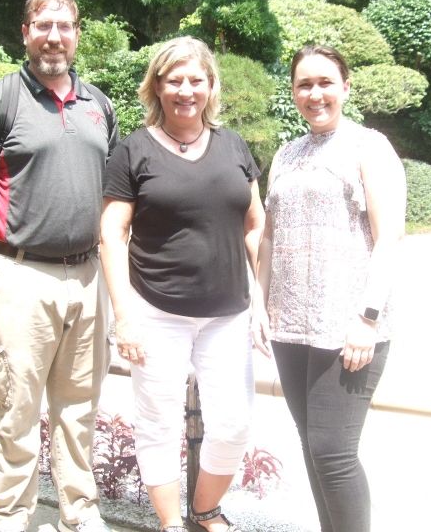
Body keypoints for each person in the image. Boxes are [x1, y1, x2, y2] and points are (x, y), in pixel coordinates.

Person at [0, 0, 118, 532]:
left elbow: (117, 200)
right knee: (16, 406)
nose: (54, 36)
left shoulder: (99, 105)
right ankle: (12, 516)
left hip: (88, 275)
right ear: (25, 33)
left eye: (65, 26)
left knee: (78, 410)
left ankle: (80, 513)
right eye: (43, 25)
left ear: (77, 32)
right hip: (20, 274)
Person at [100, 36, 264, 532]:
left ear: (210, 86)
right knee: (158, 423)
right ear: (157, 87)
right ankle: (172, 523)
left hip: (228, 315)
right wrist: (124, 316)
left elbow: (256, 224)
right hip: (155, 312)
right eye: (174, 80)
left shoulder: (234, 144)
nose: (185, 90)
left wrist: (261, 299)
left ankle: (206, 509)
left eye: (196, 80)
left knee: (233, 423)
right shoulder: (133, 149)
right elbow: (111, 233)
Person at [251, 45, 406, 532]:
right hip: (290, 327)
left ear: (345, 85)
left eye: (324, 83)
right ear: (293, 91)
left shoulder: (369, 146)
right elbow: (269, 237)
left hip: (349, 330)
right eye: (304, 84)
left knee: (334, 454)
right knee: (313, 449)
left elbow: (389, 238)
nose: (314, 94)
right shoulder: (286, 153)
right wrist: (259, 301)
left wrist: (367, 317)